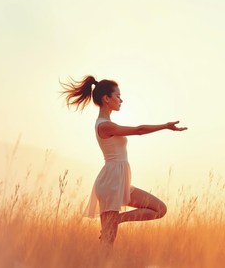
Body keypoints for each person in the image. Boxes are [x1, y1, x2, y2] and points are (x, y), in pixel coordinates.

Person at [60, 75, 187, 249]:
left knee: (159, 209)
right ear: (106, 98)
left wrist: (119, 218)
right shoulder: (104, 126)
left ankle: (117, 219)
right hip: (111, 182)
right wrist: (165, 126)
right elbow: (139, 130)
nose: (121, 100)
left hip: (118, 181)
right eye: (118, 96)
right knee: (108, 240)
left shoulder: (108, 123)